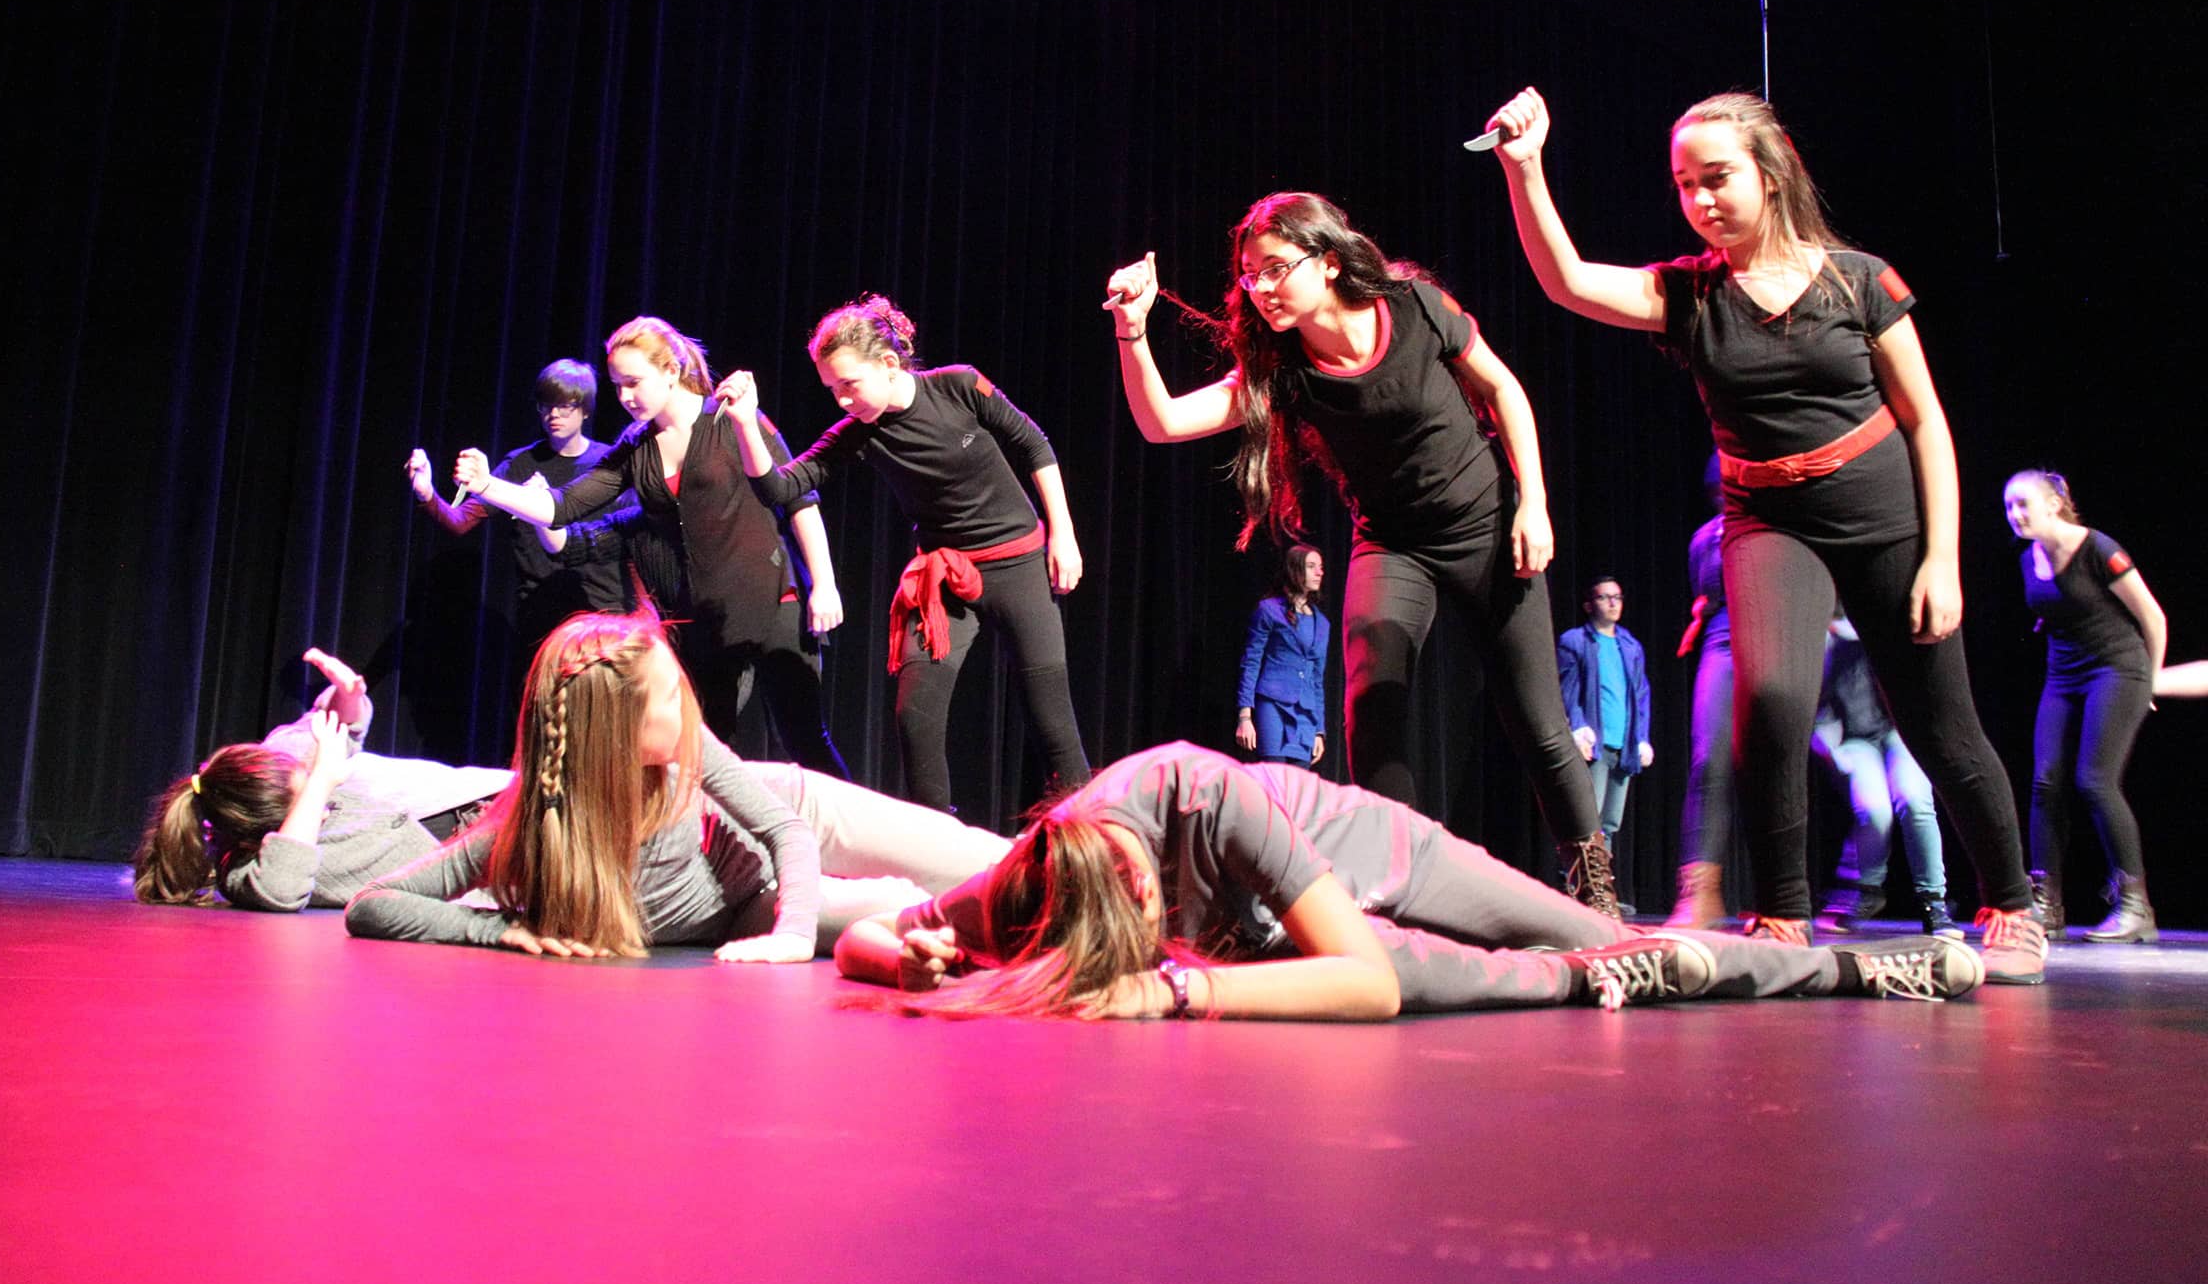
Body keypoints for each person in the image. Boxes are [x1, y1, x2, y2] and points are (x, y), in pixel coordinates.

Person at [1486, 85, 2045, 981]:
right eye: (1683, 186)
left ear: (1771, 173)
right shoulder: (1692, 294)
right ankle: (1783, 914)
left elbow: (1927, 423)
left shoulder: (1861, 281)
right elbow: (1568, 281)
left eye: (1717, 179)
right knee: (1773, 702)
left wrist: (1943, 556)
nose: (1700, 201)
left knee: (1938, 724)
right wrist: (1526, 169)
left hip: (1883, 514)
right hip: (1766, 518)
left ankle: (2012, 905)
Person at [1102, 195, 1620, 921]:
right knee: (1372, 699)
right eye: (1251, 277)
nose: (1263, 288)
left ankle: (1597, 893)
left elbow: (1503, 389)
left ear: (1331, 261)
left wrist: (1532, 502)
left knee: (1537, 721)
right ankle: (1402, 892)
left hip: (1486, 526)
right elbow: (1163, 424)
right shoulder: (1282, 369)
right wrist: (1133, 333)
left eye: (1277, 269)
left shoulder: (1413, 307)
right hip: (1393, 543)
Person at [833, 743, 1981, 1019]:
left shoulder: (1196, 793)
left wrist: (1174, 994)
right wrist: (906, 952)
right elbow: (865, 945)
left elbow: (1367, 980)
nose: (1154, 920)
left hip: (1373, 856)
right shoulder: (1034, 882)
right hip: (1274, 932)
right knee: (1547, 979)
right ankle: (1611, 973)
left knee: (1570, 924)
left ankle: (1858, 964)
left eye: (1148, 912)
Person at [344, 611, 1006, 959]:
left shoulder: (690, 744)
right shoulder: (526, 831)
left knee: (990, 863)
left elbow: (786, 832)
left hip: (795, 816)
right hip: (748, 904)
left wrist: (795, 933)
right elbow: (372, 905)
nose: (687, 700)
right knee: (950, 913)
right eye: (667, 694)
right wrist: (497, 931)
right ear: (616, 734)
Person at [711, 294, 1092, 815]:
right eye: (831, 390)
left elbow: (1034, 444)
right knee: (916, 717)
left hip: (1016, 563)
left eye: (849, 385)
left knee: (1051, 721)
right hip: (943, 580)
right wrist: (745, 423)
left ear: (889, 365)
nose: (842, 401)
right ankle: (936, 848)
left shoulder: (958, 385)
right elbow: (780, 489)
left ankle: (1092, 851)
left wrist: (1063, 534)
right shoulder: (859, 433)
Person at [454, 318, 850, 776]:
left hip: (772, 600)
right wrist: (488, 486)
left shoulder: (731, 419)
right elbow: (561, 507)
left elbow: (798, 497)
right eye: (618, 385)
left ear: (671, 370)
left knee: (802, 736)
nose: (624, 397)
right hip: (707, 619)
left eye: (634, 382)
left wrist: (824, 584)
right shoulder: (635, 445)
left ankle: (862, 839)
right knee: (705, 752)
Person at [132, 649, 512, 909]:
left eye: (309, 780)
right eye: (312, 804)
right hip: (483, 866)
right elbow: (281, 891)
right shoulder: (246, 868)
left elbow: (337, 723)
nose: (324, 808)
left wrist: (347, 696)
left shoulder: (287, 752)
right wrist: (319, 785)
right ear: (257, 838)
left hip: (491, 801)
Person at [2004, 470, 2168, 943]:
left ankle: (2136, 907)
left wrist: (2150, 682)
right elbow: (2054, 613)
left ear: (2054, 503)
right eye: (2009, 507)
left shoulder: (2098, 549)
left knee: (2095, 781)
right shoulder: (2027, 558)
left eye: (2023, 504)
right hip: (2064, 674)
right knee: (2044, 781)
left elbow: (2152, 617)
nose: (2015, 515)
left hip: (2118, 669)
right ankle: (2045, 906)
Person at [406, 359, 631, 651]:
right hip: (542, 617)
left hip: (602, 615)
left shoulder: (609, 464)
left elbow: (630, 537)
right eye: (546, 405)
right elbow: (460, 521)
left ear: (585, 409)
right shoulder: (520, 464)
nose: (554, 414)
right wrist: (426, 492)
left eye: (565, 405)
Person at [1811, 617, 1958, 937]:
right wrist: (1831, 751)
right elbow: (1810, 704)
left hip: (1899, 732)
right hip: (1853, 738)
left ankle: (1933, 902)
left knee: (1915, 798)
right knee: (1875, 809)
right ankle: (1865, 890)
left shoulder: (1886, 616)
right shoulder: (1820, 635)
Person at [1669, 454, 1738, 926]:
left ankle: (1783, 900)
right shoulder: (1704, 538)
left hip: (1777, 634)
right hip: (1724, 638)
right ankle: (1700, 892)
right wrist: (1697, 620)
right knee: (1707, 759)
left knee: (1771, 765)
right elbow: (1707, 598)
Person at [1557, 574, 1653, 911]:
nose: (1613, 603)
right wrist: (1577, 728)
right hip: (1593, 745)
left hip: (1621, 747)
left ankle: (1601, 894)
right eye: (1604, 597)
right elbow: (1568, 689)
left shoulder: (1630, 646)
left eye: (1618, 597)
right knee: (1588, 820)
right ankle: (1579, 893)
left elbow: (1640, 695)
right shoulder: (1575, 642)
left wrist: (1641, 739)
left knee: (1609, 823)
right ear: (1589, 605)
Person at [1236, 545, 1331, 768]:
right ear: (1295, 570)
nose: (1320, 572)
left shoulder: (1322, 624)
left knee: (1298, 788)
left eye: (1321, 567)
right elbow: (1250, 663)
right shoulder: (1269, 611)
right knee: (1274, 779)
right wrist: (1245, 717)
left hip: (1306, 715)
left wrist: (1319, 730)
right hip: (1273, 705)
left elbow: (1317, 680)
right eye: (1311, 567)